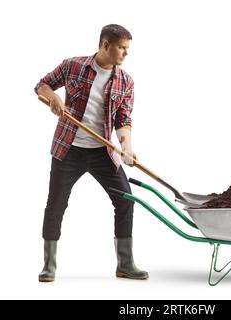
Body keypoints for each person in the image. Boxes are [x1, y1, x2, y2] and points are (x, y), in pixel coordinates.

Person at [34, 24, 148, 282]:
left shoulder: (125, 81)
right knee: (56, 204)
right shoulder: (73, 65)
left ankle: (126, 263)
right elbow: (42, 85)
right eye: (122, 47)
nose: (125, 54)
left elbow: (123, 120)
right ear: (105, 45)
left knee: (125, 200)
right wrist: (52, 97)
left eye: (127, 49)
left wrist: (127, 148)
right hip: (68, 149)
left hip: (102, 153)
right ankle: (48, 266)